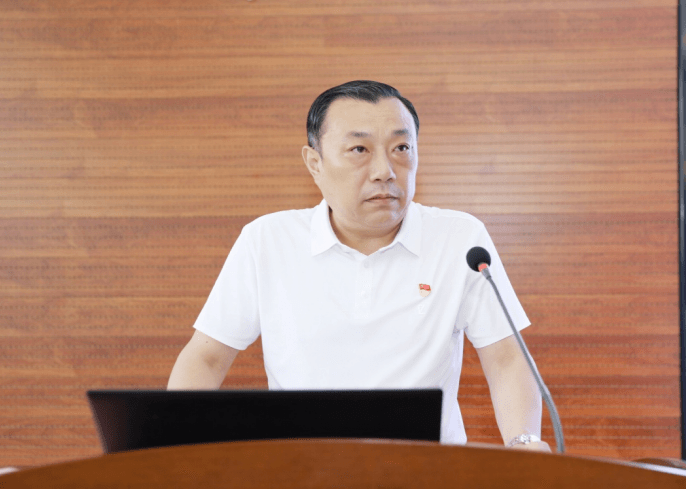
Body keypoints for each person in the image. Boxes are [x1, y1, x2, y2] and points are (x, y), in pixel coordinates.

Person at [168, 80, 551, 452]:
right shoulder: (267, 240)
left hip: (427, 472)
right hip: (303, 471)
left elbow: (506, 358)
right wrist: (169, 449)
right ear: (315, 163)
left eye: (401, 148)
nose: (385, 170)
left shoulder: (459, 238)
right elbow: (206, 357)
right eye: (359, 149)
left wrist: (524, 442)